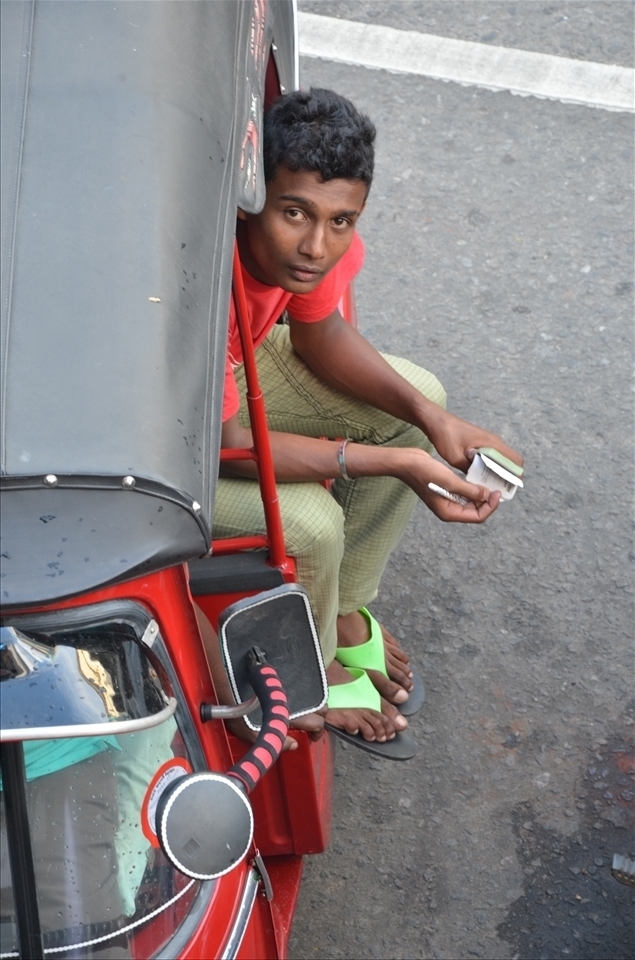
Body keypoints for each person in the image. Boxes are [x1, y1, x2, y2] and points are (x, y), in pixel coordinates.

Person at [213, 88, 523, 750]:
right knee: (313, 525)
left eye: (341, 221)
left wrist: (430, 420)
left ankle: (344, 608)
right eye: (293, 213)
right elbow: (227, 445)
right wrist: (394, 463)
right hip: (161, 442)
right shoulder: (202, 291)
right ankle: (315, 660)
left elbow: (317, 332)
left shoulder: (307, 252)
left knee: (417, 401)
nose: (316, 246)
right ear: (249, 199)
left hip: (237, 374)